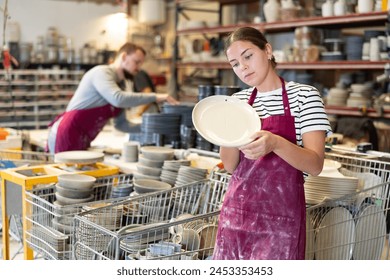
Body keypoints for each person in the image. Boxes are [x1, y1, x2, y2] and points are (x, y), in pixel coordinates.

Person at [212, 27, 332, 260]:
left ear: (267, 50)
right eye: (235, 63)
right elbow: (230, 166)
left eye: (248, 56)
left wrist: (276, 143)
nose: (243, 67)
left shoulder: (305, 97)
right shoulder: (238, 102)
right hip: (237, 215)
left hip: (281, 222)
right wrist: (225, 126)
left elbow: (315, 165)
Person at [47, 42, 178, 153]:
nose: (138, 68)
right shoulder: (102, 73)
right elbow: (118, 99)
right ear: (124, 56)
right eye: (136, 62)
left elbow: (122, 125)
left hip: (82, 138)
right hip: (65, 134)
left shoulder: (119, 85)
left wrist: (155, 126)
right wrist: (155, 97)